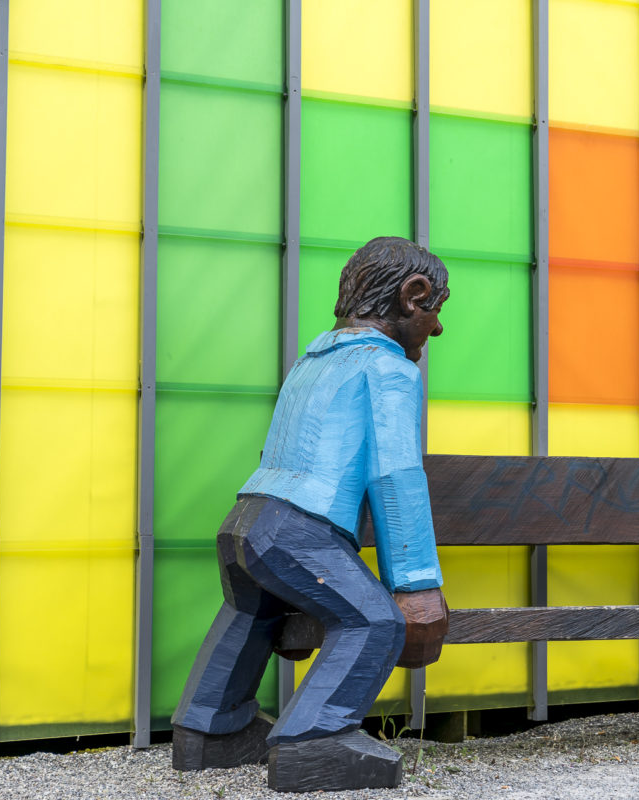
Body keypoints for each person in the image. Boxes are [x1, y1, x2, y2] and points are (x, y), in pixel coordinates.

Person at [170, 236, 448, 791]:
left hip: (246, 520)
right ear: (413, 297)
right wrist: (416, 585)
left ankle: (211, 732)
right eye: (436, 312)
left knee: (250, 613)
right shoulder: (388, 368)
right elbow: (395, 476)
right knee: (373, 619)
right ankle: (313, 740)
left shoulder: (313, 359)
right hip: (300, 527)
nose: (436, 330)